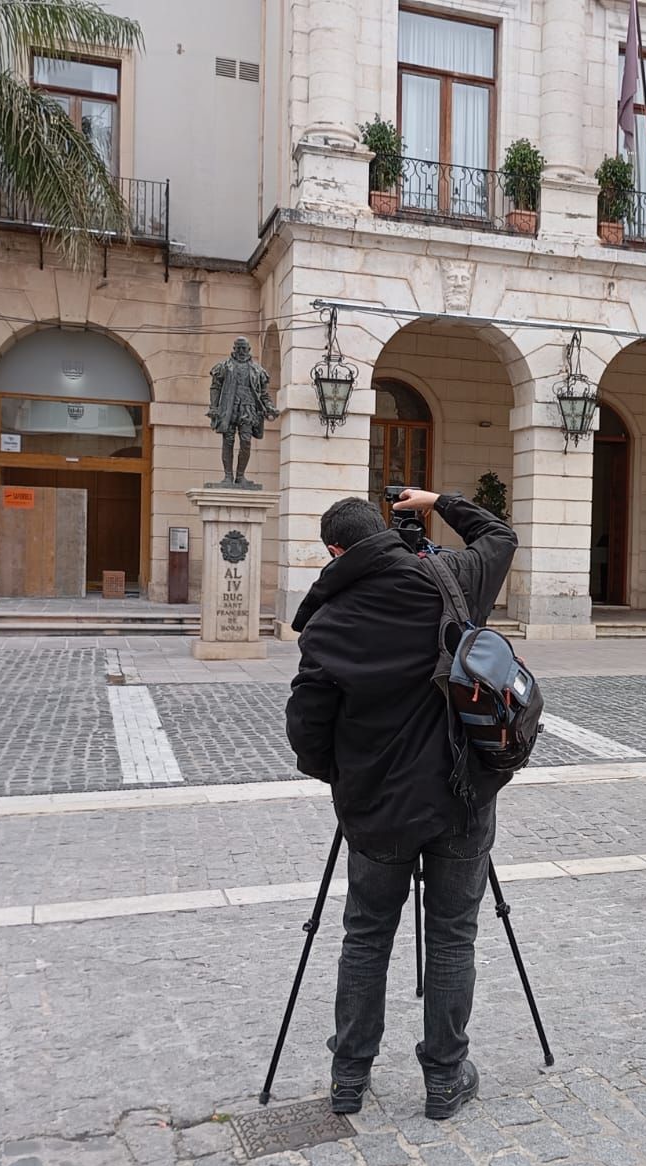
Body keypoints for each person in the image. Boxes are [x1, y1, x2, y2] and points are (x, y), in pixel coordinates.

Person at [286, 489, 516, 1120]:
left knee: (365, 935)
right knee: (451, 937)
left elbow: (306, 725)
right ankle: (444, 1078)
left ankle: (349, 1078)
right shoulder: (449, 578)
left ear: (335, 551)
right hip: (460, 796)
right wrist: (439, 499)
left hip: (379, 804)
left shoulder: (329, 621)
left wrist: (344, 774)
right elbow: (499, 535)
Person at [207, 336, 278, 488]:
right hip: (229, 407)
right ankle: (228, 476)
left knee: (246, 441)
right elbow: (215, 387)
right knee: (228, 441)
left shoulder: (257, 370)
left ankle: (240, 476)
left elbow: (263, 394)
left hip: (248, 408)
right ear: (234, 348)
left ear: (248, 350)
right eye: (238, 348)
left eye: (243, 348)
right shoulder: (224, 366)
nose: (240, 351)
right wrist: (214, 407)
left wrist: (270, 407)